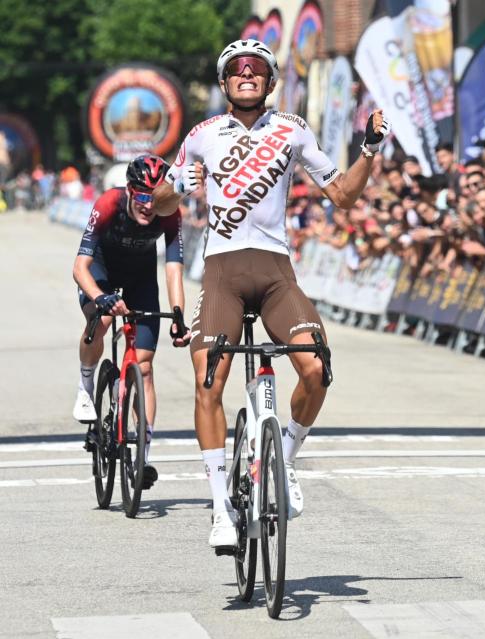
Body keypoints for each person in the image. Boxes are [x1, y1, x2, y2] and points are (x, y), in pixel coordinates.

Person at [150, 39, 391, 549]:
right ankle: (221, 508)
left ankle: (284, 456)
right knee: (208, 379)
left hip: (277, 272)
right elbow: (157, 204)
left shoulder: (292, 128)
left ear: (270, 81)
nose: (246, 74)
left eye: (256, 68)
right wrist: (178, 183)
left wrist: (368, 150)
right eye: (237, 69)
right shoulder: (201, 135)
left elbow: (343, 195)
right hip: (222, 273)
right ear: (224, 83)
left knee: (317, 367)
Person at [73, 155, 190, 490]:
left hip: (140, 279)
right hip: (102, 271)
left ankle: (143, 457)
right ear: (128, 190)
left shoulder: (170, 213)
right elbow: (80, 267)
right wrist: (100, 298)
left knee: (146, 368)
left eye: (156, 198)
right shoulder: (108, 203)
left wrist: (178, 315)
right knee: (101, 321)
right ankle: (85, 385)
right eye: (141, 196)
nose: (149, 206)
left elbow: (173, 269)